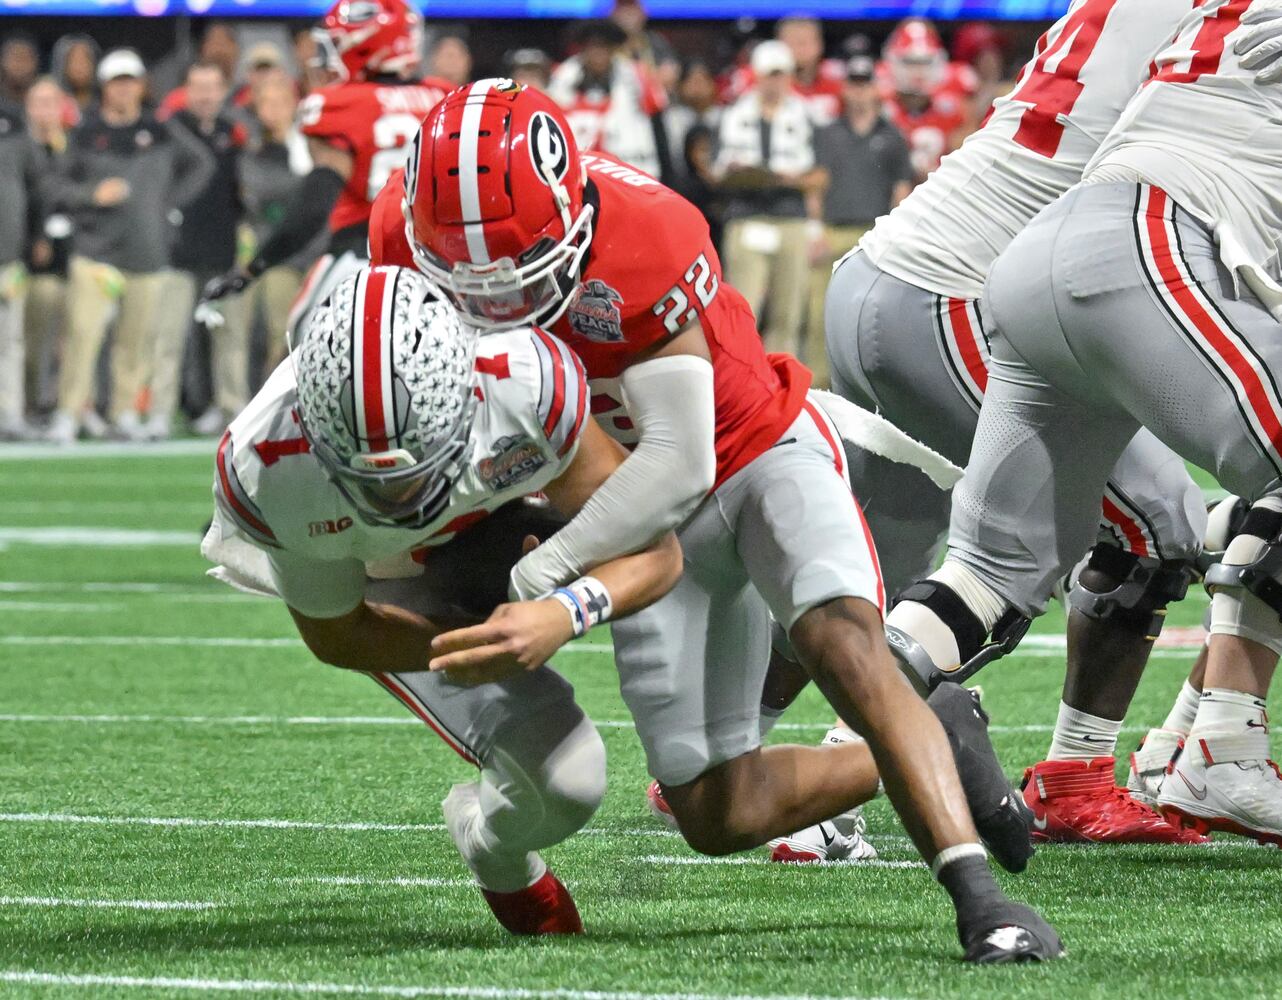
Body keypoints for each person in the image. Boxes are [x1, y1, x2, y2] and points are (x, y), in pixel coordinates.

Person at [368, 81, 1061, 963]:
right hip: (622, 502)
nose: (492, 307)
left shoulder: (644, 235)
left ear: (573, 212)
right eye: (464, 284)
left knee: (845, 647)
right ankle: (943, 734)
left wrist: (540, 581)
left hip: (752, 451)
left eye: (516, 276)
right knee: (719, 813)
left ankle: (981, 902)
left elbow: (680, 461)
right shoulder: (398, 233)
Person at [788, 0, 1227, 853]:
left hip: (882, 273)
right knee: (1150, 526)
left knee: (873, 553)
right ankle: (841, 779)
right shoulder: (1218, 24)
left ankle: (730, 740)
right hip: (958, 299)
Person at [884, 0, 1282, 846]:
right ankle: (1219, 744)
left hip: (1037, 260)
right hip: (1146, 251)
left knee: (985, 577)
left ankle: (834, 751)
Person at [204, 263, 682, 934]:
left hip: (506, 530)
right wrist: (468, 649)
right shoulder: (270, 468)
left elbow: (656, 552)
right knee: (568, 781)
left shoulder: (523, 387)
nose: (395, 499)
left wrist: (561, 611)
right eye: (367, 481)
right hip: (388, 581)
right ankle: (494, 850)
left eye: (413, 470)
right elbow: (340, 633)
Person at [198, 0, 450, 316]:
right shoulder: (446, 98)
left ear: (367, 45)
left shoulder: (339, 103)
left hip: (360, 258)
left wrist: (252, 269)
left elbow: (314, 206)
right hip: (439, 263)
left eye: (336, 43)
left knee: (305, 350)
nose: (327, 57)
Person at [44, 49, 214, 444]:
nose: (124, 90)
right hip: (95, 252)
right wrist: (91, 194)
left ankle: (123, 412)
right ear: (105, 88)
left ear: (140, 86)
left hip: (146, 251)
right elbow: (56, 186)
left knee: (135, 342)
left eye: (130, 82)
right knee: (83, 336)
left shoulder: (160, 130)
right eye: (117, 83)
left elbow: (201, 165)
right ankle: (69, 413)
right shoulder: (85, 133)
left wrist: (166, 201)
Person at [151, 61, 250, 440]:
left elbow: (242, 192)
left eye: (212, 87)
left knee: (230, 338)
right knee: (169, 336)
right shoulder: (170, 130)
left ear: (222, 91)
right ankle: (160, 412)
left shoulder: (233, 132)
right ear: (187, 90)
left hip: (224, 248)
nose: (206, 95)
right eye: (198, 87)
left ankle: (233, 409)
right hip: (178, 248)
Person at [803, 53, 912, 388]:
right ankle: (818, 384)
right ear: (845, 89)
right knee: (820, 312)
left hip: (874, 234)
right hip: (834, 230)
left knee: (876, 315)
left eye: (866, 84)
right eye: (854, 84)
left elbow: (901, 190)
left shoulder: (893, 135)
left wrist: (898, 235)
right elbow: (815, 184)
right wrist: (814, 228)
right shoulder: (827, 133)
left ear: (877, 89)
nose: (860, 92)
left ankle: (876, 385)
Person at [715, 40, 823, 362]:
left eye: (780, 75)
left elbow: (821, 174)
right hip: (747, 215)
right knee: (743, 309)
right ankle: (741, 378)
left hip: (791, 218)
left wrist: (815, 225)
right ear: (757, 76)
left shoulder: (807, 115)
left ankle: (781, 384)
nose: (774, 83)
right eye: (769, 75)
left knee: (788, 312)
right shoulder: (734, 114)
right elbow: (719, 170)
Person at [237, 73, 322, 379]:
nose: (272, 110)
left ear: (294, 105)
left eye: (280, 102)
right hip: (277, 255)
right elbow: (261, 196)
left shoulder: (314, 144)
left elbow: (321, 195)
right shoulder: (254, 150)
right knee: (278, 333)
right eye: (265, 103)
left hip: (318, 254)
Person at [548, 19, 669, 180]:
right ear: (583, 49)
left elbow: (657, 125)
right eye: (592, 46)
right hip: (577, 171)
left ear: (613, 49)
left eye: (603, 47)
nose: (598, 53)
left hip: (629, 168)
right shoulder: (562, 79)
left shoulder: (636, 78)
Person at [23, 76, 73, 417]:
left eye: (51, 103)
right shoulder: (16, 149)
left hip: (74, 259)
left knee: (74, 340)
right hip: (32, 265)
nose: (45, 111)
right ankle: (33, 404)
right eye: (38, 103)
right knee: (34, 341)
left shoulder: (73, 148)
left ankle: (69, 406)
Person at [877, 19, 971, 182]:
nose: (918, 72)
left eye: (925, 62)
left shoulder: (954, 108)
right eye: (910, 62)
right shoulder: (878, 105)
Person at [0, 92, 41, 439]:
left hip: (7, 254)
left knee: (10, 339)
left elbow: (36, 182)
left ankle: (10, 412)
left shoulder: (12, 122)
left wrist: (36, 235)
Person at [776, 16, 845, 126]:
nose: (800, 50)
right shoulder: (764, 83)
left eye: (805, 42)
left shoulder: (838, 80)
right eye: (793, 43)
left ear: (820, 44)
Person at [51, 34, 98, 121]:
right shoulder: (51, 106)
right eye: (73, 60)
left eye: (84, 60)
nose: (79, 67)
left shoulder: (105, 106)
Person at [1, 35, 39, 107]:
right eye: (15, 59)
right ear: (3, 62)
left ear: (34, 62)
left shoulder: (46, 96)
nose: (20, 66)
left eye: (24, 59)